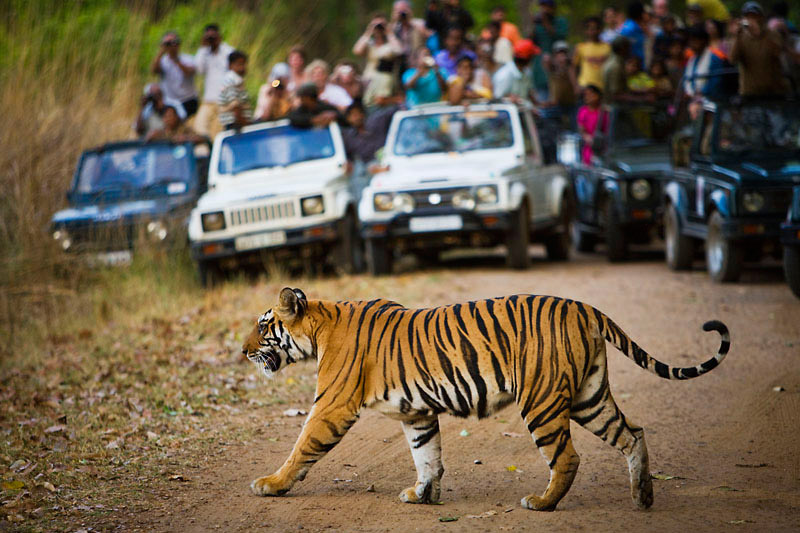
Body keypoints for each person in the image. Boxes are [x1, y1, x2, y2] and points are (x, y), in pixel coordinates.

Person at [729, 1, 788, 96]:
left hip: (774, 93)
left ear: (761, 18)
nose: (751, 19)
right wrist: (737, 36)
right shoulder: (740, 37)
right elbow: (732, 60)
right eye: (748, 17)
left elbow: (778, 53)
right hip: (749, 93)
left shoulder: (772, 34)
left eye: (754, 16)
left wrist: (759, 34)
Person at [353, 14, 403, 108]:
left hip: (386, 83)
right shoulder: (369, 44)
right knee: (370, 105)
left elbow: (399, 51)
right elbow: (357, 50)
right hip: (369, 80)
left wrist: (389, 32)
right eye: (376, 25)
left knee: (383, 105)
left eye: (382, 25)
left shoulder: (390, 44)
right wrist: (369, 32)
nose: (379, 28)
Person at [193, 24, 234, 138]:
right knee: (199, 128)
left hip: (224, 100)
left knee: (218, 132)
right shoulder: (204, 52)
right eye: (209, 36)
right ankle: (204, 154)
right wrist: (203, 47)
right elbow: (198, 69)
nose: (211, 39)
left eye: (213, 36)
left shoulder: (228, 51)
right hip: (208, 101)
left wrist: (217, 45)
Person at [150, 31, 198, 117]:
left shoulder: (188, 58)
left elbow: (188, 73)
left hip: (188, 100)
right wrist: (161, 52)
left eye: (172, 42)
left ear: (178, 44)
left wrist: (175, 59)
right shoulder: (162, 61)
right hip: (170, 101)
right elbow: (153, 71)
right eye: (167, 43)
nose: (170, 46)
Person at [390, 0, 428, 77]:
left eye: (404, 10)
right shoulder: (394, 27)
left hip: (417, 66)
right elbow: (387, 36)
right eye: (398, 11)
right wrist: (394, 19)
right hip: (400, 67)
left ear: (410, 10)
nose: (402, 13)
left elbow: (427, 36)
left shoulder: (419, 23)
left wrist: (410, 20)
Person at [574, 16, 612, 90]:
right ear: (586, 31)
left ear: (600, 30)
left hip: (603, 87)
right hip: (585, 86)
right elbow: (573, 67)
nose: (594, 32)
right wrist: (576, 85)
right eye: (591, 29)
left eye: (596, 28)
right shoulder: (580, 47)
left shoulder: (608, 47)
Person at [546, 41, 578, 126]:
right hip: (557, 104)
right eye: (558, 54)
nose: (561, 57)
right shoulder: (552, 69)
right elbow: (546, 62)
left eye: (563, 54)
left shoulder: (570, 68)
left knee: (573, 124)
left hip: (571, 103)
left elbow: (574, 82)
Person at [218, 50, 252, 130]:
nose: (242, 67)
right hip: (236, 126)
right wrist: (246, 126)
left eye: (244, 64)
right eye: (239, 64)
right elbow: (235, 106)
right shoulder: (231, 80)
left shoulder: (237, 80)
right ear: (230, 66)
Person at [576, 85, 609, 165]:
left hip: (606, 145)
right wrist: (588, 138)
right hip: (591, 146)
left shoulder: (605, 111)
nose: (589, 97)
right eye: (586, 95)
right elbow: (582, 130)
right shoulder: (583, 111)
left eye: (592, 94)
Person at [603, 36, 631, 102]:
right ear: (622, 49)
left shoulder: (614, 61)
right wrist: (641, 98)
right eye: (628, 48)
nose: (630, 50)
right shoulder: (616, 66)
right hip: (614, 107)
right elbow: (615, 95)